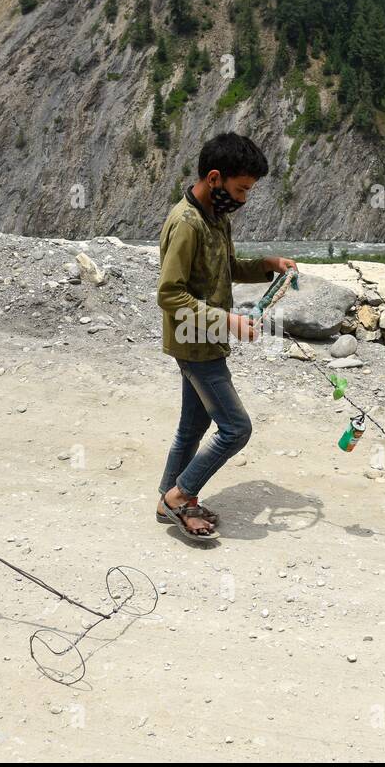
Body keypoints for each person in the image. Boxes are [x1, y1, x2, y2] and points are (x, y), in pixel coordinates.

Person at [155, 133, 297, 541]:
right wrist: (229, 322)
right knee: (236, 429)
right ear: (215, 179)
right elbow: (170, 294)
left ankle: (169, 499)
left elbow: (226, 267)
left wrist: (267, 265)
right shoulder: (186, 223)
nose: (244, 199)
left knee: (192, 426)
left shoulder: (217, 218)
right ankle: (181, 497)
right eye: (241, 189)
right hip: (195, 342)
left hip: (206, 338)